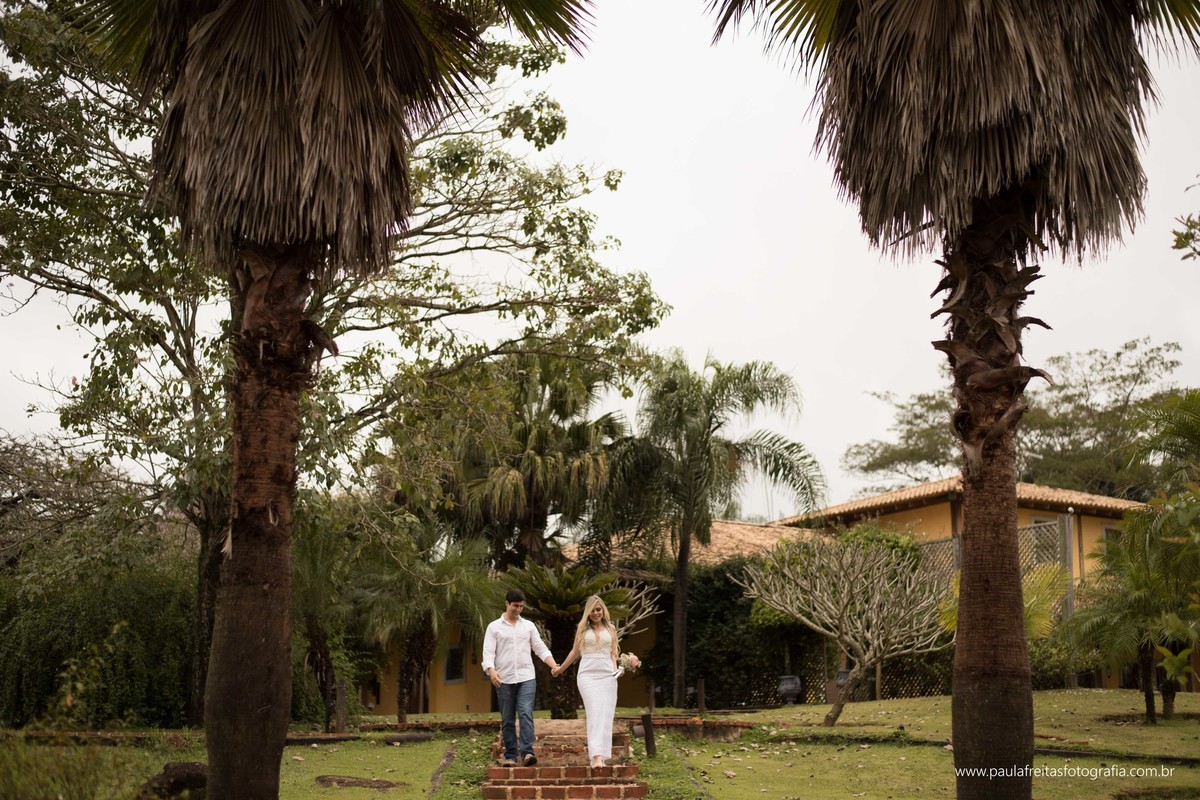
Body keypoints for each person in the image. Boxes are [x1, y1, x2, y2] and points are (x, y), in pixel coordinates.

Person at [481, 589, 560, 767]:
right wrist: (491, 671)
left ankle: (527, 753)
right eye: (515, 606)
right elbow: (488, 653)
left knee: (525, 713)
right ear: (507, 603)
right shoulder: (494, 627)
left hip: (526, 678)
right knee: (507, 718)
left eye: (521, 606)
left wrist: (553, 665)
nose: (518, 610)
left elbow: (540, 648)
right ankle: (510, 755)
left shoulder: (529, 626)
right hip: (504, 679)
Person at [551, 595, 620, 768]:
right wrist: (560, 669)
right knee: (594, 712)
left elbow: (613, 652)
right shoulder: (582, 629)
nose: (596, 613)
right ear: (588, 613)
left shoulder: (611, 628)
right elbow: (575, 652)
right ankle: (596, 756)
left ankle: (602, 756)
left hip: (607, 676)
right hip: (587, 675)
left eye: (599, 609)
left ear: (603, 610)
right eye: (593, 610)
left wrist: (616, 669)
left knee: (605, 715)